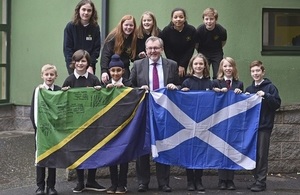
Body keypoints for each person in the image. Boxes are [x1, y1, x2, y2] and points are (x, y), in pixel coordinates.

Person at [130, 36, 180, 193]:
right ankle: (142, 182)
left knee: (163, 146)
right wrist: (140, 89)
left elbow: (179, 84)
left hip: (164, 112)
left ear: (162, 49)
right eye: (150, 48)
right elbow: (130, 86)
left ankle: (163, 182)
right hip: (144, 112)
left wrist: (175, 86)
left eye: (156, 48)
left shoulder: (171, 65)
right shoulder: (137, 65)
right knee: (143, 147)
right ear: (146, 50)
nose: (153, 51)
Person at [61, 49, 105, 193]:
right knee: (78, 151)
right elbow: (62, 101)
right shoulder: (69, 80)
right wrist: (64, 92)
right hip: (75, 123)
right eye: (78, 61)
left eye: (83, 61)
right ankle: (80, 182)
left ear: (88, 63)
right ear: (74, 62)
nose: (80, 63)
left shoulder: (93, 79)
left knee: (93, 151)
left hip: (92, 122)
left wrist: (100, 91)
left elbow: (101, 101)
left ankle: (91, 180)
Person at [245, 60, 281, 192]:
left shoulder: (270, 87)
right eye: (253, 71)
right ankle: (256, 179)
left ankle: (261, 182)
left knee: (262, 155)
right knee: (253, 155)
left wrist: (266, 95)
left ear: (263, 72)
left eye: (258, 71)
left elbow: (277, 104)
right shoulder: (249, 89)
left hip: (264, 126)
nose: (255, 73)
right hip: (251, 128)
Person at [181, 53, 212, 192]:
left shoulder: (209, 83)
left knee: (200, 151)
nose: (198, 66)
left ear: (205, 66)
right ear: (191, 66)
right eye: (196, 64)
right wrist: (183, 92)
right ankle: (189, 180)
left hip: (204, 123)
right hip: (188, 122)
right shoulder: (187, 82)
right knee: (189, 151)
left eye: (201, 64)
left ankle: (198, 179)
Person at [212, 57, 243, 191]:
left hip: (234, 122)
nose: (228, 69)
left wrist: (240, 93)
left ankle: (230, 180)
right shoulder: (216, 83)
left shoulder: (239, 83)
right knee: (221, 150)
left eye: (230, 66)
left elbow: (242, 101)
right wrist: (217, 93)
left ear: (234, 68)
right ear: (221, 68)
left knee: (231, 150)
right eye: (225, 66)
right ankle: (221, 180)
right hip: (220, 121)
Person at [30, 64, 61, 195]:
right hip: (42, 132)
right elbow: (33, 111)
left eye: (52, 74)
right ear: (42, 76)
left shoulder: (59, 90)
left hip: (55, 132)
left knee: (53, 159)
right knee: (41, 159)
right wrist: (37, 128)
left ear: (56, 76)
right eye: (47, 74)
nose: (49, 77)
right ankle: (40, 187)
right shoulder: (38, 91)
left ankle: (51, 186)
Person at [103, 54, 131, 194]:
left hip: (125, 125)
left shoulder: (128, 83)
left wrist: (125, 87)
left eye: (118, 70)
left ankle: (122, 184)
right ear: (109, 72)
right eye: (113, 71)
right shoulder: (104, 85)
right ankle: (113, 183)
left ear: (123, 71)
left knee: (123, 155)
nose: (115, 73)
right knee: (111, 155)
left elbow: (136, 94)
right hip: (109, 126)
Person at [63, 0, 101, 75]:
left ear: (92, 12)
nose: (86, 13)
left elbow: (96, 49)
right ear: (78, 11)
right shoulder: (70, 27)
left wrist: (90, 65)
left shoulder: (95, 27)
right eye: (83, 9)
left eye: (89, 10)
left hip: (89, 66)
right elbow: (67, 49)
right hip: (74, 66)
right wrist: (73, 66)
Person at [160, 8, 196, 84]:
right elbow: (167, 49)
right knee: (172, 80)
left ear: (185, 18)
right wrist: (175, 65)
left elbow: (191, 49)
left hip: (186, 60)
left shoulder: (191, 30)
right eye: (175, 17)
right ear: (172, 19)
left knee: (184, 81)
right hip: (171, 60)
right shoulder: (166, 31)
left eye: (181, 17)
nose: (178, 19)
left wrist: (182, 65)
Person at [100, 15, 137, 83]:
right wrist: (104, 71)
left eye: (131, 25)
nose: (128, 27)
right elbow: (105, 55)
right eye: (126, 25)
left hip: (124, 71)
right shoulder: (112, 37)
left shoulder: (133, 38)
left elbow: (132, 57)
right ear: (121, 25)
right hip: (112, 71)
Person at [196, 8, 227, 80]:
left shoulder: (221, 30)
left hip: (216, 52)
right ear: (203, 20)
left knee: (218, 73)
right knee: (204, 73)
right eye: (206, 19)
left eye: (211, 19)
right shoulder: (199, 30)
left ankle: (217, 87)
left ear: (216, 20)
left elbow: (223, 42)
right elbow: (196, 44)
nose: (209, 21)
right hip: (203, 52)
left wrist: (216, 50)